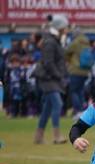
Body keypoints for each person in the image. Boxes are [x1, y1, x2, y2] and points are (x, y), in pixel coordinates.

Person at [33, 14, 69, 144]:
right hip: (48, 77)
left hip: (52, 77)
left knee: (47, 108)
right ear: (59, 27)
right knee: (57, 104)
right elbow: (48, 63)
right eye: (65, 27)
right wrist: (59, 76)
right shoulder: (50, 42)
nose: (67, 29)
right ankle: (56, 136)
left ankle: (38, 137)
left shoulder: (56, 40)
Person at [65, 28, 92, 119]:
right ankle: (83, 111)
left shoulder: (75, 43)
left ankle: (78, 111)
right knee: (80, 91)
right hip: (85, 71)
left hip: (75, 70)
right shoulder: (87, 42)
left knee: (73, 91)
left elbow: (66, 52)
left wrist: (69, 60)